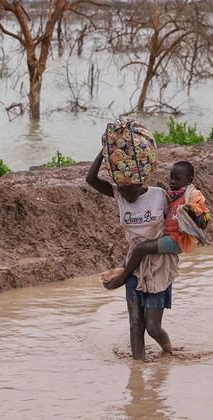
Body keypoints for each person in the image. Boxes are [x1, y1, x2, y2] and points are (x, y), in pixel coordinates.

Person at [86, 150, 177, 361]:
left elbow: (175, 228)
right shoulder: (118, 193)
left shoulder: (159, 195)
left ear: (141, 181)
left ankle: (168, 350)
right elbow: (91, 179)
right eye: (123, 188)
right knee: (135, 321)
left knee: (153, 327)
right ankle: (138, 369)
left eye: (131, 187)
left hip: (158, 263)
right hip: (133, 264)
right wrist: (104, 151)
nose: (127, 194)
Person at [102, 161, 210, 288]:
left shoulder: (192, 195)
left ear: (189, 180)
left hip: (177, 240)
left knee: (140, 248)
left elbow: (204, 220)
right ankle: (123, 267)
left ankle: (122, 278)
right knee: (140, 245)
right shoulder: (171, 195)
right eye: (171, 178)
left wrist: (195, 215)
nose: (172, 181)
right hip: (168, 236)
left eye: (177, 179)